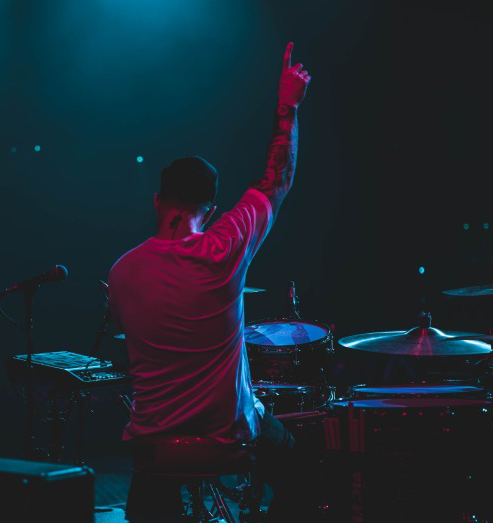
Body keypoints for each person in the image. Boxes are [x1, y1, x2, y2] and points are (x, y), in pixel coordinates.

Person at [108, 43, 311, 521]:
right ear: (212, 209)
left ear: (158, 201)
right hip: (228, 437)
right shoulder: (224, 249)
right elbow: (276, 180)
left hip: (154, 446)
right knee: (304, 470)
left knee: (146, 507)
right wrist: (288, 106)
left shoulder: (121, 272)